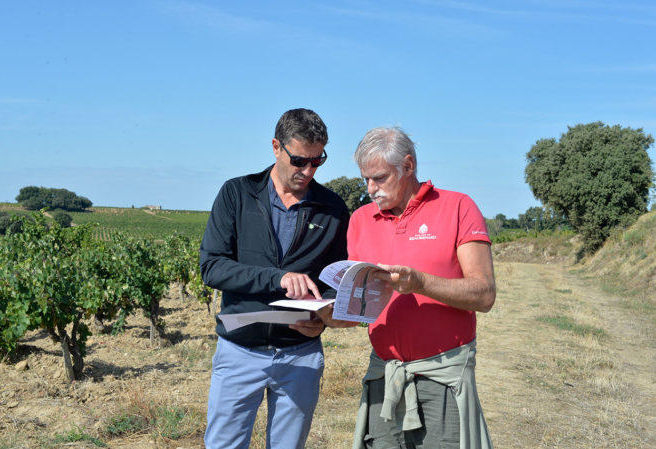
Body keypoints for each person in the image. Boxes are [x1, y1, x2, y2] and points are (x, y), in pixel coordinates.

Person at [318, 127, 496, 449]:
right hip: (384, 374)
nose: (371, 189)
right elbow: (362, 307)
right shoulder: (360, 220)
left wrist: (421, 283)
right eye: (365, 180)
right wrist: (331, 316)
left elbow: (484, 295)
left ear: (408, 166)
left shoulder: (458, 207)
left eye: (380, 178)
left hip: (442, 375)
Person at [199, 108, 350, 449]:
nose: (308, 171)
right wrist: (278, 278)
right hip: (239, 350)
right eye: (299, 161)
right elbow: (213, 267)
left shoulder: (333, 208)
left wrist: (323, 319)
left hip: (301, 354)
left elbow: (334, 279)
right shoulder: (236, 194)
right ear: (275, 147)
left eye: (317, 161)